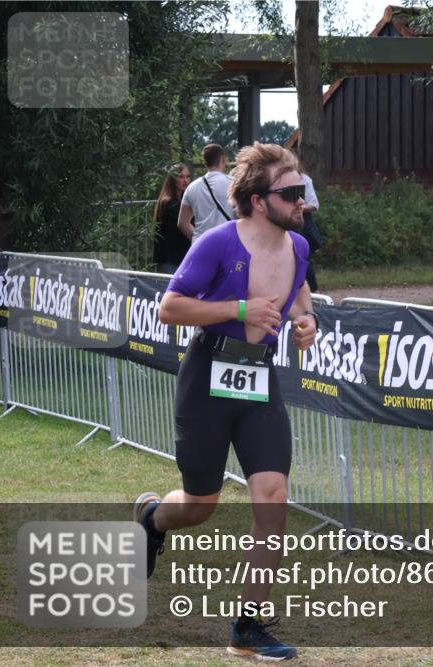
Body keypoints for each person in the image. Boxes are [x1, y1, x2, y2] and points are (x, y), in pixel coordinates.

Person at [135, 142, 318, 661]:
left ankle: (247, 626)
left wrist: (307, 320)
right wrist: (239, 309)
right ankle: (152, 519)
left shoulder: (298, 245)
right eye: (292, 193)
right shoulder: (217, 243)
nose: (302, 201)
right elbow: (170, 308)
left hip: (259, 381)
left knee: (273, 500)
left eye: (301, 190)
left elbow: (300, 291)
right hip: (207, 379)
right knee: (201, 505)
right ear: (260, 201)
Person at [179, 143, 235, 244]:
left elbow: (182, 223)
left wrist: (198, 240)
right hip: (227, 242)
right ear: (222, 159)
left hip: (201, 244)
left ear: (205, 163)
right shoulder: (234, 184)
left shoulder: (192, 187)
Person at [152, 163, 192, 274]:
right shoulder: (168, 203)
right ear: (173, 179)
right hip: (169, 259)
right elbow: (184, 225)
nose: (185, 180)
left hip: (181, 257)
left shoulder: (184, 200)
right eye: (181, 176)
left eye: (188, 176)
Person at [298, 165, 323, 292]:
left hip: (301, 225)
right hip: (283, 224)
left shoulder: (304, 180)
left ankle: (312, 291)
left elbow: (314, 205)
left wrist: (296, 208)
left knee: (303, 258)